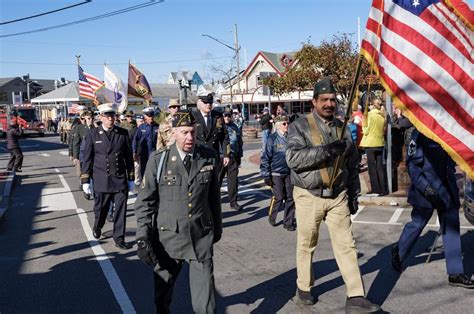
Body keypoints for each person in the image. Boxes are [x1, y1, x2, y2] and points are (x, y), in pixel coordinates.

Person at [286, 77, 380, 312]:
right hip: (309, 195)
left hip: (338, 195)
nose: (329, 104)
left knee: (347, 245)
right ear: (314, 101)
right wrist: (326, 151)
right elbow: (293, 159)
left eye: (332, 100)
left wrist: (354, 194)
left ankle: (356, 296)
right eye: (324, 100)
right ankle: (304, 288)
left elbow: (352, 163)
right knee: (307, 244)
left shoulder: (342, 127)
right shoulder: (300, 126)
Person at [134, 109, 222, 313]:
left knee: (206, 301)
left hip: (200, 236)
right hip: (168, 238)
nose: (190, 137)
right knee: (162, 294)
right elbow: (145, 202)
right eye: (184, 132)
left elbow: (213, 198)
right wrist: (142, 236)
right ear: (173, 133)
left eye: (192, 131)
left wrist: (217, 228)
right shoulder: (159, 160)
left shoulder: (208, 157)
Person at [391, 129, 474, 288]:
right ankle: (399, 251)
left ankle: (455, 272)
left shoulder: (446, 130)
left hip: (446, 189)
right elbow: (413, 167)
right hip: (426, 191)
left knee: (451, 228)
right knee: (417, 224)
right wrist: (427, 189)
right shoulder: (418, 134)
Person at [81, 103, 135, 250]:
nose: (111, 119)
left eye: (113, 116)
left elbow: (128, 158)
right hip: (101, 179)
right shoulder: (92, 134)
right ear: (101, 117)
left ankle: (119, 238)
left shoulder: (122, 133)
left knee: (120, 210)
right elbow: (87, 158)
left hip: (119, 178)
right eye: (107, 116)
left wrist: (131, 178)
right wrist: (85, 180)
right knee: (101, 209)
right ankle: (98, 225)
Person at [261, 114, 295, 231]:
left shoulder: (291, 138)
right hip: (276, 173)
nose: (287, 125)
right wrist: (266, 174)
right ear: (278, 126)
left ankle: (288, 222)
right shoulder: (272, 139)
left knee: (291, 197)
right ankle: (272, 215)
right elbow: (265, 157)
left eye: (288, 123)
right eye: (284, 124)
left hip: (289, 172)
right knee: (279, 196)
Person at [193, 92, 230, 170]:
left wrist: (226, 155)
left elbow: (224, 137)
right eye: (205, 102)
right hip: (198, 156)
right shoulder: (193, 116)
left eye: (210, 102)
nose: (208, 105)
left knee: (215, 181)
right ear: (199, 103)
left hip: (213, 156)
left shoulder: (217, 116)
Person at [360, 98, 389, 196]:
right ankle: (383, 188)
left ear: (372, 105)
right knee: (380, 167)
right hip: (379, 143)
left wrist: (363, 125)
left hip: (370, 143)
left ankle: (375, 189)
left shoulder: (369, 115)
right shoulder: (383, 115)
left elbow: (366, 131)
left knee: (372, 168)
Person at [220, 108, 243, 211]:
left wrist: (239, 156)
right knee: (217, 180)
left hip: (233, 157)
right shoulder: (219, 127)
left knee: (233, 181)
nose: (227, 118)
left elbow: (239, 142)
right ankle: (214, 200)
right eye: (225, 116)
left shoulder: (234, 127)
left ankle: (233, 202)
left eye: (229, 116)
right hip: (221, 157)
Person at [132, 106, 159, 178]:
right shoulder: (142, 127)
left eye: (152, 115)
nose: (151, 117)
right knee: (144, 171)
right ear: (145, 116)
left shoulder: (158, 127)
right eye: (149, 115)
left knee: (155, 171)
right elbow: (136, 139)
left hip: (155, 152)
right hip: (144, 153)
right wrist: (134, 152)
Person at [71, 110, 94, 191]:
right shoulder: (80, 128)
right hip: (83, 155)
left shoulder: (96, 128)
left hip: (94, 155)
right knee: (83, 172)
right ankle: (83, 184)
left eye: (92, 118)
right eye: (88, 118)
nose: (90, 120)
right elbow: (76, 143)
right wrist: (75, 157)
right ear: (85, 119)